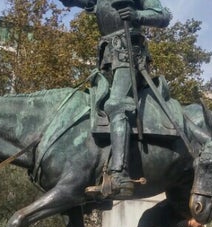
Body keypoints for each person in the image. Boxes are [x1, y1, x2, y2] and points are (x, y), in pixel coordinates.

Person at [59, 0, 171, 198]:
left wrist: (137, 16)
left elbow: (163, 16)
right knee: (89, 106)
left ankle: (120, 174)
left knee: (116, 104)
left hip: (130, 55)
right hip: (107, 59)